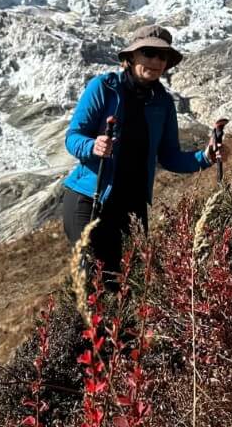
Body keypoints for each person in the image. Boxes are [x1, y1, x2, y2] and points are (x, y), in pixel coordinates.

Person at [62, 24, 221, 276]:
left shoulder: (164, 102)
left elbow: (169, 157)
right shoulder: (104, 87)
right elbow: (72, 138)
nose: (156, 60)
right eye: (148, 52)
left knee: (127, 283)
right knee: (93, 279)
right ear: (131, 56)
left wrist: (205, 157)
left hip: (132, 206)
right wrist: (94, 146)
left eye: (162, 56)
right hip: (89, 199)